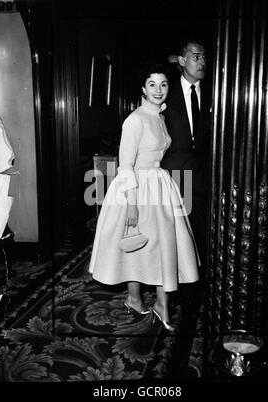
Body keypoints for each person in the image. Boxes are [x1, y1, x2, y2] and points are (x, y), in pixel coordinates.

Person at [89, 63, 199, 332]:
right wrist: (132, 204)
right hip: (136, 188)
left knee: (161, 246)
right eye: (152, 84)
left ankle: (157, 303)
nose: (158, 90)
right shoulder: (135, 120)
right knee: (135, 246)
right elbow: (125, 164)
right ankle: (135, 299)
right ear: (142, 88)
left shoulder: (159, 117)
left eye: (163, 84)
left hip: (160, 185)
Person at [161, 37, 212, 285]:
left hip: (204, 176)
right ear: (182, 61)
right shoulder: (165, 94)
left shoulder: (214, 94)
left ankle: (197, 287)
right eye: (196, 57)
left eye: (203, 57)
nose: (202, 62)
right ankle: (177, 287)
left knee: (200, 232)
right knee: (176, 236)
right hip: (176, 176)